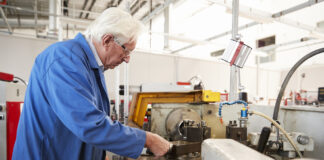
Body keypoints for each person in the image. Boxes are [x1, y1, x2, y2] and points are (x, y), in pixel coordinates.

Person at [12, 7, 170, 160]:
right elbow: (89, 125)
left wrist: (100, 155)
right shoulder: (64, 60)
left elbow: (92, 121)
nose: (127, 59)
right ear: (107, 40)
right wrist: (148, 140)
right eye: (126, 51)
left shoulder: (89, 65)